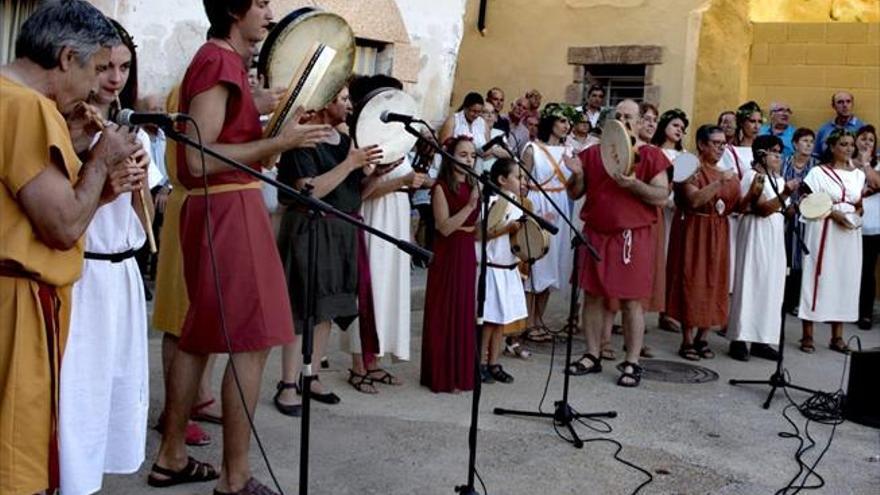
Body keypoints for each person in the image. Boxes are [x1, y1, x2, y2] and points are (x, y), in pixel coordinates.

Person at [147, 1, 330, 492]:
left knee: (199, 336)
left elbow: (219, 132)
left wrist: (267, 106)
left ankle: (171, 455)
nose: (271, 14)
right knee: (252, 341)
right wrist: (280, 144)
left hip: (221, 209)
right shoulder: (219, 60)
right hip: (227, 208)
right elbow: (199, 158)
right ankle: (235, 476)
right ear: (234, 9)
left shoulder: (221, 60)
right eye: (262, 3)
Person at [0, 2, 140, 493]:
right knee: (18, 459)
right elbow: (60, 227)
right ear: (66, 58)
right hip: (17, 304)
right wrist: (101, 161)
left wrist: (88, 173)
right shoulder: (28, 106)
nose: (98, 84)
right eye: (97, 68)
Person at [57, 20, 154, 495]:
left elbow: (144, 221)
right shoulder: (64, 128)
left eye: (124, 67)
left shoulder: (129, 129)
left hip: (121, 275)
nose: (114, 77)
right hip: (83, 275)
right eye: (105, 66)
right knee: (77, 394)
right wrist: (105, 180)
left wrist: (139, 186)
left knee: (114, 391)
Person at [275, 86, 382, 400]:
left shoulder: (347, 142)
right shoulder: (303, 140)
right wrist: (350, 163)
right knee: (303, 309)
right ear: (325, 103)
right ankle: (287, 384)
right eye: (345, 99)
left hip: (342, 229)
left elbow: (353, 195)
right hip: (310, 228)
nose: (350, 106)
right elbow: (309, 190)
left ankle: (311, 376)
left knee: (328, 309)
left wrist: (375, 175)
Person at [565, 99, 670, 387]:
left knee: (632, 301)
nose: (623, 120)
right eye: (618, 115)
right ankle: (591, 354)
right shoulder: (593, 154)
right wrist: (576, 174)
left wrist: (634, 184)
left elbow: (662, 197)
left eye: (629, 116)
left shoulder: (651, 156)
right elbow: (575, 194)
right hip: (596, 233)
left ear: (639, 123)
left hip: (632, 236)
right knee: (593, 296)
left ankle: (632, 361)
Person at [344, 74, 427, 392]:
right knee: (367, 289)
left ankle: (374, 361)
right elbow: (359, 193)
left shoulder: (398, 137)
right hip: (370, 219)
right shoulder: (360, 138)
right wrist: (401, 183)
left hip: (394, 220)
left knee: (388, 289)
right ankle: (357, 364)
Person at [666, 125, 741, 361]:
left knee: (715, 281)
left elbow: (736, 206)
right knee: (692, 278)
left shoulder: (725, 171)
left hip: (718, 230)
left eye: (723, 143)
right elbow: (694, 199)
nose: (720, 148)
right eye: (715, 143)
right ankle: (687, 339)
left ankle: (703, 337)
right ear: (701, 144)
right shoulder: (687, 165)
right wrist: (719, 182)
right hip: (694, 228)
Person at [727, 135, 797, 361]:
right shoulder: (752, 177)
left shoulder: (777, 179)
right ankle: (739, 339)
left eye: (779, 151)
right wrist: (786, 194)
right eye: (773, 151)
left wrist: (793, 207)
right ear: (760, 154)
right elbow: (761, 209)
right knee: (751, 280)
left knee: (771, 285)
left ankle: (761, 339)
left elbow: (779, 210)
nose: (778, 156)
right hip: (755, 232)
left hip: (775, 235)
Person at [421, 136, 480, 393]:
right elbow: (444, 227)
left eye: (473, 155)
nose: (469, 159)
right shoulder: (440, 187)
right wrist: (470, 206)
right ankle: (442, 374)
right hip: (448, 251)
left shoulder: (474, 184)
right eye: (464, 154)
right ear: (451, 157)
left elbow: (475, 227)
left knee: (464, 309)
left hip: (467, 249)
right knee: (445, 309)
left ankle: (461, 372)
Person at [798, 129, 866, 353]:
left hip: (848, 232)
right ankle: (807, 334)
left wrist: (856, 214)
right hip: (824, 227)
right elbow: (805, 199)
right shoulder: (818, 173)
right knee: (818, 275)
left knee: (845, 278)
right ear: (832, 147)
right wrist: (832, 213)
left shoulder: (858, 175)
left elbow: (858, 202)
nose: (848, 149)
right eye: (844, 144)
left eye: (850, 144)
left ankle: (837, 336)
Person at [520, 104, 576, 343]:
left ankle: (540, 319)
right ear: (550, 122)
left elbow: (573, 186)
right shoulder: (532, 148)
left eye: (568, 122)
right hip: (538, 204)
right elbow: (522, 183)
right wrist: (529, 212)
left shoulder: (569, 151)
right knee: (536, 263)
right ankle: (527, 321)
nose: (566, 126)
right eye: (562, 121)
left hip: (560, 205)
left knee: (553, 264)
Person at [480, 159, 528, 384]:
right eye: (517, 177)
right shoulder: (491, 202)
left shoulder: (517, 202)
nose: (522, 181)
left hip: (508, 268)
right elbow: (480, 235)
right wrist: (506, 229)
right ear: (501, 180)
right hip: (492, 268)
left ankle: (494, 363)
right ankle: (480, 362)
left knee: (500, 320)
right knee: (489, 319)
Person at [651, 108, 689, 333]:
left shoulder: (684, 156)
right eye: (675, 125)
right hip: (657, 211)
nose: (679, 131)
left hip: (676, 214)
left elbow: (684, 184)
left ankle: (666, 312)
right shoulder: (653, 152)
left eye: (682, 128)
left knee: (671, 262)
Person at [719, 101, 762, 296]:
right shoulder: (730, 151)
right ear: (742, 124)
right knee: (732, 261)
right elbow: (729, 181)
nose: (756, 126)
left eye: (759, 121)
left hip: (758, 213)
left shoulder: (763, 151)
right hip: (738, 212)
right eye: (751, 121)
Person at [780, 128, 820, 315]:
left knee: (802, 258)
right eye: (804, 141)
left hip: (807, 217)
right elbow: (778, 185)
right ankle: (782, 299)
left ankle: (797, 301)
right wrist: (786, 205)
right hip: (784, 215)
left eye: (811, 141)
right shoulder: (784, 163)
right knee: (784, 255)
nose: (808, 145)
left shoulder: (817, 167)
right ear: (795, 143)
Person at [855, 125, 879, 330]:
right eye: (863, 139)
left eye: (871, 140)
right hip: (853, 225)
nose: (866, 143)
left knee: (868, 270)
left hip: (875, 227)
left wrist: (865, 163)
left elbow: (875, 183)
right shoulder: (847, 164)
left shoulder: (875, 165)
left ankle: (865, 314)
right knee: (853, 270)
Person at [440, 91, 489, 172]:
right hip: (454, 166)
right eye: (473, 111)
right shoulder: (454, 120)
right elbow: (444, 144)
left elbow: (488, 148)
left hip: (477, 167)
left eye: (479, 112)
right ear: (465, 108)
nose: (476, 115)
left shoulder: (482, 123)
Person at [814, 91, 864, 158]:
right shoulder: (824, 130)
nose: (845, 105)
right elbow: (816, 155)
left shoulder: (863, 129)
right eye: (840, 102)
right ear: (833, 106)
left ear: (852, 104)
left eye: (848, 101)